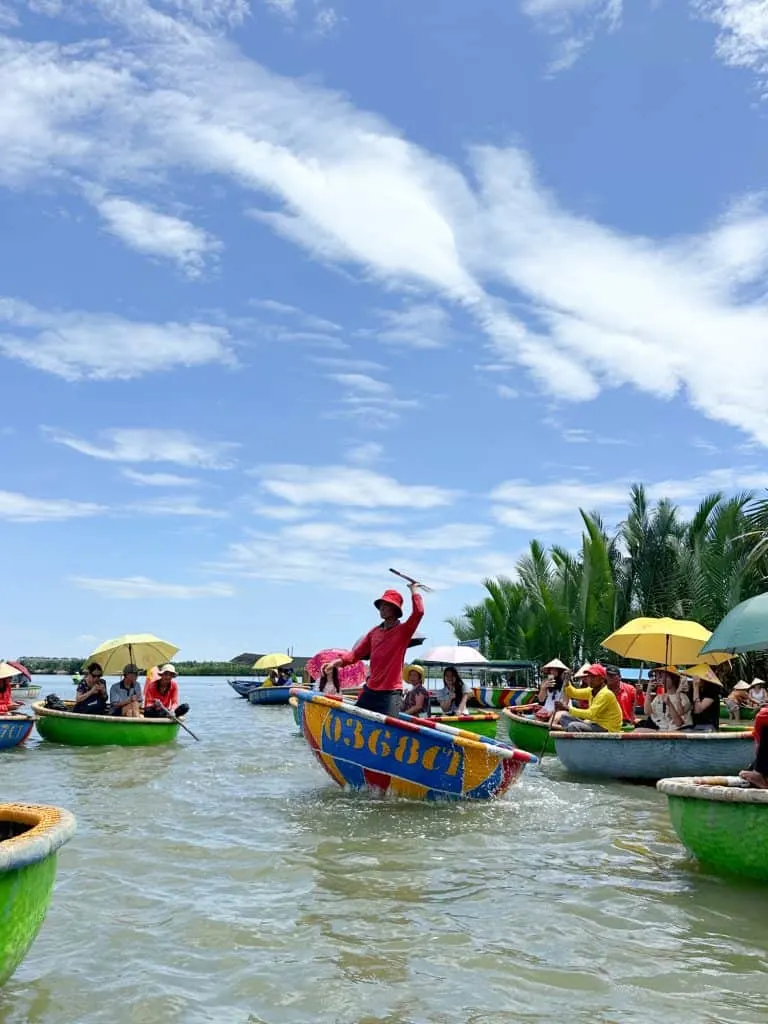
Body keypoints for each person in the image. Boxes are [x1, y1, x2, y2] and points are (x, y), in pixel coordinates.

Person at [325, 582, 424, 716]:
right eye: (381, 605)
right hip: (370, 689)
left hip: (390, 692)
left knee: (390, 728)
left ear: (395, 609)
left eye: (386, 605)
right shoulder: (374, 632)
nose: (381, 608)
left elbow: (419, 612)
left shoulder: (403, 631)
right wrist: (337, 662)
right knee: (354, 718)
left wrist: (414, 591)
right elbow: (356, 654)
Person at [552, 664, 622, 733]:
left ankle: (579, 742)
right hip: (595, 724)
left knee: (573, 726)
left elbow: (590, 714)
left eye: (593, 677)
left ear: (602, 679)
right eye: (589, 676)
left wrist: (567, 708)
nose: (590, 679)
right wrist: (567, 682)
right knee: (564, 718)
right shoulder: (591, 690)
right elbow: (573, 693)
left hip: (607, 728)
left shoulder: (605, 693)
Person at [739, 705, 768, 788]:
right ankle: (758, 772)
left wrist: (758, 770)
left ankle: (758, 773)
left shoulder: (762, 715)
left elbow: (759, 746)